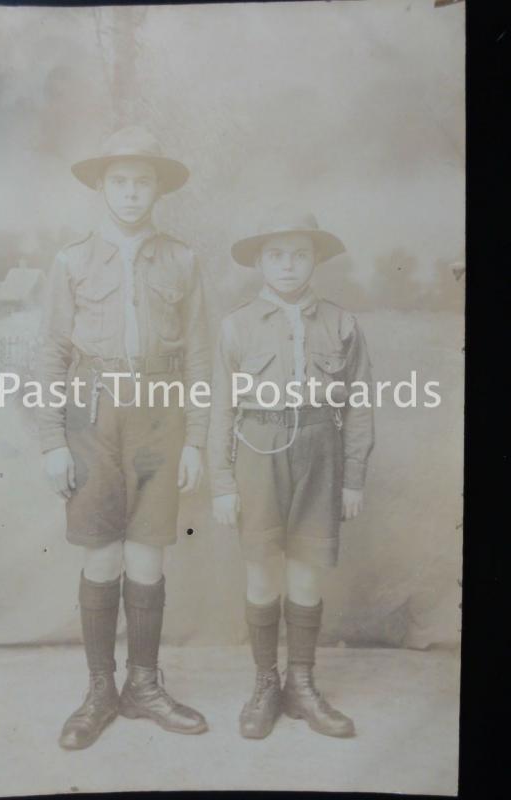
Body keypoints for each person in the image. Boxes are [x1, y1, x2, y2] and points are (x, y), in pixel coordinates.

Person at [37, 125, 210, 749]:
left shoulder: (183, 260)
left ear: (159, 189)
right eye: (121, 181)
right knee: (102, 553)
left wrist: (195, 439)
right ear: (102, 187)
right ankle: (99, 689)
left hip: (162, 412)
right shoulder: (72, 259)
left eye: (144, 182)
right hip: (93, 412)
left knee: (147, 554)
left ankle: (144, 685)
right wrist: (52, 441)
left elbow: (197, 352)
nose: (132, 193)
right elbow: (52, 352)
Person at [208, 209, 374, 739]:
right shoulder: (235, 326)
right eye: (276, 254)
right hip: (258, 450)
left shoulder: (342, 323)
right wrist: (222, 481)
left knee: (306, 571)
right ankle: (266, 683)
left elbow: (361, 407)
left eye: (299, 253)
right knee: (261, 571)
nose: (287, 264)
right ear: (259, 260)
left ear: (315, 260)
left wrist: (352, 478)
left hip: (322, 452)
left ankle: (302, 685)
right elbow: (219, 409)